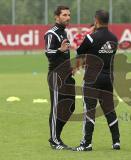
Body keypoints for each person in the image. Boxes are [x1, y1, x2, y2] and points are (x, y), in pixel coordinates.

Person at [73, 10, 120, 151]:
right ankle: (116, 142)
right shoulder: (114, 38)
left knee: (89, 110)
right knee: (109, 109)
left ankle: (87, 143)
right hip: (108, 78)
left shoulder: (91, 38)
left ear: (96, 20)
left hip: (92, 79)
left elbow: (79, 53)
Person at [44, 5, 75, 150]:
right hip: (56, 76)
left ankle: (56, 136)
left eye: (69, 15)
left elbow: (63, 56)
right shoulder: (51, 33)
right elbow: (49, 53)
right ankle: (55, 140)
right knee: (56, 109)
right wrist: (59, 49)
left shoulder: (64, 32)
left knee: (70, 107)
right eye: (64, 15)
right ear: (57, 17)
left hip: (67, 75)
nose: (68, 17)